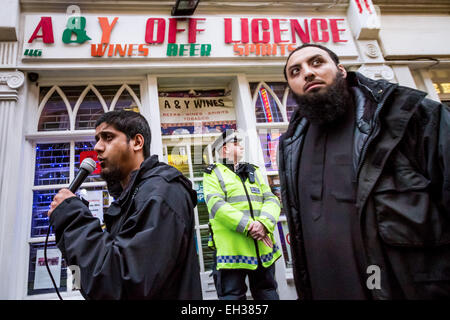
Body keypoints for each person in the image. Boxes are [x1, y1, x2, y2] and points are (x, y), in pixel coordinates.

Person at [278, 43, 450, 300]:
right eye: (295, 71)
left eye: (316, 63)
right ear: (292, 87)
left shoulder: (408, 114)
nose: (307, 73)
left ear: (341, 70)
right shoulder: (291, 144)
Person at [47, 110, 202, 300]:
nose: (97, 147)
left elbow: (124, 282)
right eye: (97, 139)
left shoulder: (160, 193)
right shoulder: (131, 197)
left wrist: (72, 218)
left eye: (108, 137)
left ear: (137, 142)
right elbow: (93, 283)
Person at [203, 129, 281, 300]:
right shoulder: (213, 173)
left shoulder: (255, 171)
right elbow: (216, 204)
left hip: (261, 249)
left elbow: (272, 199)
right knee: (232, 297)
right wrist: (250, 226)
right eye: (236, 143)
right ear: (225, 149)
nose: (241, 147)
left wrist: (264, 223)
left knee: (267, 294)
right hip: (231, 251)